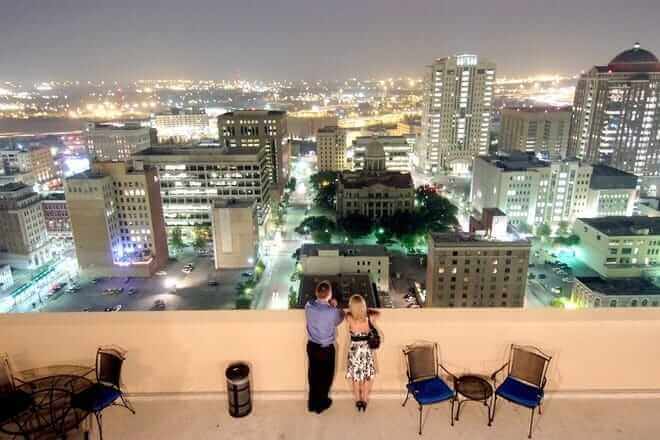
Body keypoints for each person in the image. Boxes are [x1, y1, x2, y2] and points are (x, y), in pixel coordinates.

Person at [305, 280, 344, 413]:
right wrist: (335, 306)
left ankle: (312, 403)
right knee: (326, 377)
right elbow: (339, 319)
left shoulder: (308, 306)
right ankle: (321, 403)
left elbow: (313, 302)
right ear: (330, 294)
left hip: (311, 346)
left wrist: (328, 304)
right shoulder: (332, 312)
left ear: (317, 293)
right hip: (326, 348)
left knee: (313, 375)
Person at [345, 294, 377, 412]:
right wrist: (365, 311)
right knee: (367, 377)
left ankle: (358, 401)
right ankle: (364, 400)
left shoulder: (349, 319)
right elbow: (378, 313)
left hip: (354, 351)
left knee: (356, 378)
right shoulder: (370, 318)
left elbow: (346, 313)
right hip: (366, 350)